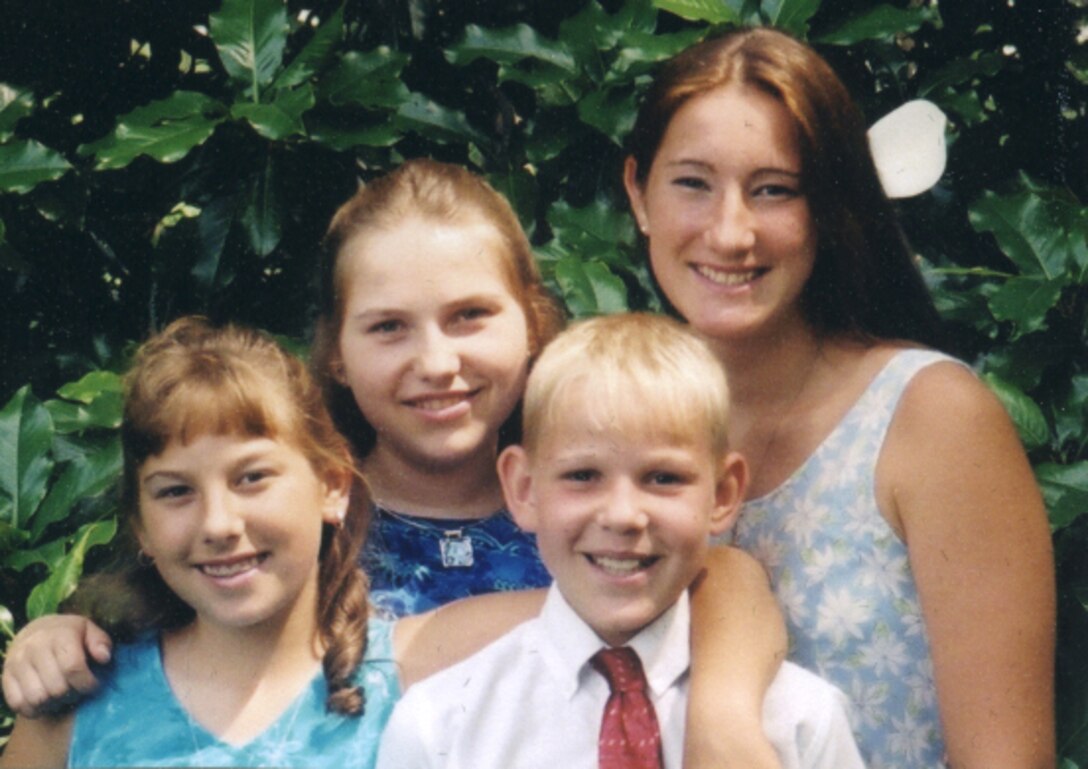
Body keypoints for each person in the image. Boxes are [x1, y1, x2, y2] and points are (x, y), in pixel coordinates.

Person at [1, 161, 788, 768]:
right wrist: (56, 636)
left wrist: (722, 719)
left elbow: (717, 577)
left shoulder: (586, 509)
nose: (436, 361)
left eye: (470, 316)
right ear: (336, 353)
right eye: (388, 328)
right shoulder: (292, 525)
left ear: (532, 322)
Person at [621, 27, 1056, 769]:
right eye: (693, 183)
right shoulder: (615, 412)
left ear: (829, 205)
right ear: (638, 194)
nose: (730, 232)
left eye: (774, 190)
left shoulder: (932, 419)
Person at [0, 317, 546, 768]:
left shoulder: (423, 667)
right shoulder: (76, 709)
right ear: (141, 527)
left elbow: (616, 600)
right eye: (175, 491)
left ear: (332, 487)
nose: (218, 523)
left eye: (252, 478)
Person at [375, 312, 864, 769]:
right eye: (583, 475)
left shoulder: (798, 722)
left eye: (664, 478)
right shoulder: (443, 728)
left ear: (724, 492)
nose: (623, 516)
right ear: (524, 489)